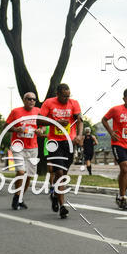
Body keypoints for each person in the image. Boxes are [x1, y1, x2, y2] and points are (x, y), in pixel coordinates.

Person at [38, 84, 83, 219]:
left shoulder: (73, 103)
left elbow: (80, 120)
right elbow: (39, 120)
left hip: (68, 142)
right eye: (64, 96)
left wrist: (79, 136)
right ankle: (63, 206)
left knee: (63, 174)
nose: (66, 99)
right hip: (54, 142)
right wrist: (55, 122)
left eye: (68, 96)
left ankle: (54, 194)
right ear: (57, 94)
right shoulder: (49, 103)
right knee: (58, 171)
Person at [6, 92, 41, 210]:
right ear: (23, 100)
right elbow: (6, 126)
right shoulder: (16, 112)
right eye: (29, 99)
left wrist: (40, 130)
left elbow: (44, 127)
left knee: (29, 175)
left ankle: (20, 197)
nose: (31, 101)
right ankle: (16, 197)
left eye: (34, 99)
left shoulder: (38, 111)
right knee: (21, 172)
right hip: (18, 146)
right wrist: (16, 129)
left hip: (33, 147)